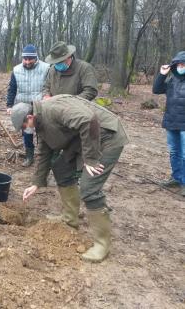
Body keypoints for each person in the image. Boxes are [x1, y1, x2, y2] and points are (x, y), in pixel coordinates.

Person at [11, 95, 129, 262]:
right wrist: (36, 183)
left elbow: (88, 120)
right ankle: (70, 219)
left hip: (106, 137)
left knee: (89, 188)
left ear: (29, 117)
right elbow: (44, 152)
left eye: (24, 126)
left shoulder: (53, 109)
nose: (25, 130)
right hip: (83, 139)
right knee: (61, 168)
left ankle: (102, 244)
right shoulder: (41, 121)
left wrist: (91, 159)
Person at [6, 44, 49, 167]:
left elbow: (50, 86)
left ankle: (45, 156)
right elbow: (12, 89)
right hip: (23, 104)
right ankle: (29, 156)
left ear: (36, 58)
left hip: (41, 104)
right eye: (25, 59)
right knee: (27, 131)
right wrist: (9, 105)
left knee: (44, 130)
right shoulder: (16, 70)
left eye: (30, 59)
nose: (27, 61)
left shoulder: (46, 68)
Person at [153, 51, 185, 197]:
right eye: (178, 64)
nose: (180, 67)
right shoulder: (172, 80)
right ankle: (177, 178)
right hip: (172, 122)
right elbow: (156, 89)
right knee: (174, 153)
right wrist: (162, 74)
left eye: (183, 64)